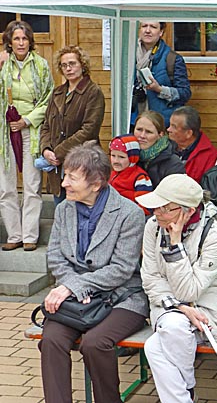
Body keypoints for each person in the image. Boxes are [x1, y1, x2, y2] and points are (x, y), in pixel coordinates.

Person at [38, 141, 149, 403]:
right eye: (65, 175)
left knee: (95, 343)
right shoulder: (64, 209)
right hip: (76, 301)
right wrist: (72, 286)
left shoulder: (128, 213)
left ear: (96, 183)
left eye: (71, 178)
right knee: (51, 340)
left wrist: (73, 287)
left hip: (122, 298)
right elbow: (55, 256)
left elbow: (122, 269)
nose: (64, 183)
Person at [138, 174, 217, 403]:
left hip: (209, 311)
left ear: (188, 211)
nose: (156, 213)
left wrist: (174, 246)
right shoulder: (153, 227)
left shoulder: (215, 235)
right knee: (172, 327)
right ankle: (187, 390)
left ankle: (186, 393)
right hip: (168, 307)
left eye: (164, 208)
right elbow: (150, 279)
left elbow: (189, 291)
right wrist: (179, 307)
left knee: (155, 346)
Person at [0, 20, 53, 251]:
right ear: (9, 43)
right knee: (6, 185)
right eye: (16, 39)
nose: (21, 43)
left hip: (31, 128)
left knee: (32, 184)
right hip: (5, 131)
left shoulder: (40, 65)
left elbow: (48, 98)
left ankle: (30, 235)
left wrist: (27, 119)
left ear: (30, 41)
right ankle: (14, 234)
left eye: (24, 38)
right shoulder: (3, 65)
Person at [40, 44, 105, 206]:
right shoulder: (57, 92)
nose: (68, 68)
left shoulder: (93, 92)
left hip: (82, 164)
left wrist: (59, 152)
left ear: (82, 65)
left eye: (72, 63)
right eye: (64, 65)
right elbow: (46, 125)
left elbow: (89, 129)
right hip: (57, 168)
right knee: (61, 212)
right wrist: (46, 149)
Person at [132, 21, 191, 127]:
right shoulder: (127, 56)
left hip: (161, 125)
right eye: (144, 26)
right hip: (133, 122)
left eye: (153, 27)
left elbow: (185, 93)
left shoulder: (173, 59)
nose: (148, 30)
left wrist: (159, 89)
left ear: (161, 32)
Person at [133, 110, 185, 188]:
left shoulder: (173, 164)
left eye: (148, 132)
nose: (142, 135)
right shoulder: (126, 156)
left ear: (160, 134)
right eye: (139, 129)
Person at [168, 105, 217, 183]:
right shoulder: (165, 147)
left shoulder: (211, 157)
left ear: (188, 133)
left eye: (174, 127)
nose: (168, 129)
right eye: (169, 125)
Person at [108, 134, 152, 215]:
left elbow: (145, 204)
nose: (116, 161)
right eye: (113, 155)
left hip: (129, 216)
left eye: (121, 157)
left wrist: (133, 217)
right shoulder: (110, 175)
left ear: (132, 158)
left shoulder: (140, 177)